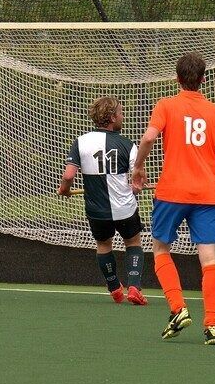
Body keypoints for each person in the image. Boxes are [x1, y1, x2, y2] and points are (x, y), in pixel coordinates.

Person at [133, 52, 215, 346]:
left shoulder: (166, 105)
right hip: (207, 195)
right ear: (204, 79)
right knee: (209, 258)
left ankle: (178, 308)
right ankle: (212, 324)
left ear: (177, 78)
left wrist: (138, 167)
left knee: (161, 248)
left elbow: (149, 138)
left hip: (172, 192)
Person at [57, 96, 148, 306]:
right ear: (112, 117)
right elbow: (139, 178)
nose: (123, 117)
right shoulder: (128, 145)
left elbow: (69, 176)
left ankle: (115, 288)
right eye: (121, 113)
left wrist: (64, 190)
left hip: (97, 211)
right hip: (125, 209)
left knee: (103, 244)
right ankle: (134, 286)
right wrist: (137, 187)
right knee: (133, 242)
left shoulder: (80, 142)